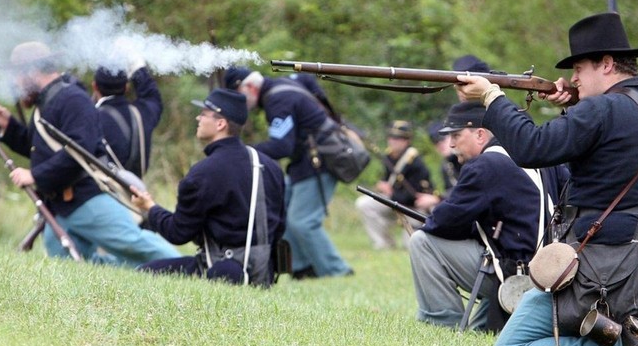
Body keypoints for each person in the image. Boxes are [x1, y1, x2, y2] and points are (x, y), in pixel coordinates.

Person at [456, 12, 638, 346]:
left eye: (579, 68)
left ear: (606, 64)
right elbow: (607, 155)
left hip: (608, 266)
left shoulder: (601, 110)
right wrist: (576, 105)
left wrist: (493, 99)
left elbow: (532, 148)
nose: (573, 78)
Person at [0, 41, 180, 266]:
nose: (16, 82)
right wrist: (8, 126)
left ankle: (191, 270)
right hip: (61, 205)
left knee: (135, 244)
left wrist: (36, 176)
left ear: (32, 72)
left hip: (85, 196)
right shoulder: (48, 101)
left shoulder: (71, 99)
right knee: (73, 265)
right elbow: (41, 149)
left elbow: (81, 150)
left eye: (18, 75)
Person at [408, 102, 567, 332]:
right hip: (551, 269)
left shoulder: (485, 164)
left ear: (480, 134)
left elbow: (444, 222)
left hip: (517, 276)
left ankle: (442, 324)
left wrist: (438, 220)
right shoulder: (534, 154)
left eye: (456, 135)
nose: (451, 144)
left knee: (422, 242)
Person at [131, 88, 286, 283]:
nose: (198, 118)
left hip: (219, 270)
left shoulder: (202, 173)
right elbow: (279, 227)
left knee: (141, 275)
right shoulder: (271, 166)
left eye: (203, 114)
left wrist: (150, 208)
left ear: (220, 123)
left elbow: (177, 232)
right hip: (263, 276)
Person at [226, 67, 353, 278]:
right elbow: (307, 78)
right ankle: (303, 269)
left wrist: (243, 151)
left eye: (238, 93)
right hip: (305, 162)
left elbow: (281, 146)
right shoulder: (283, 85)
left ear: (249, 87)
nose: (239, 101)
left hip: (318, 162)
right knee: (283, 213)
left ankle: (338, 271)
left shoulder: (277, 100)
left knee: (303, 222)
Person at [355, 120, 433, 250]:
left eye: (398, 138)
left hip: (412, 208)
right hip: (395, 202)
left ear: (407, 140)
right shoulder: (389, 157)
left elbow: (415, 196)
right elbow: (388, 182)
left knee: (410, 245)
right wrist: (383, 187)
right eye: (391, 137)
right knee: (364, 204)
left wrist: (391, 193)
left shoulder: (415, 162)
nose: (393, 141)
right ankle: (383, 243)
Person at [91, 46, 162, 178]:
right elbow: (151, 94)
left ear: (95, 86)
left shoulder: (90, 118)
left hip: (100, 194)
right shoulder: (143, 112)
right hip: (136, 195)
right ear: (126, 87)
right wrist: (138, 67)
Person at [414, 121, 462, 213]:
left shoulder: (466, 158)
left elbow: (468, 189)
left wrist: (437, 198)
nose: (440, 145)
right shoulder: (446, 167)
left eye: (443, 140)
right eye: (436, 143)